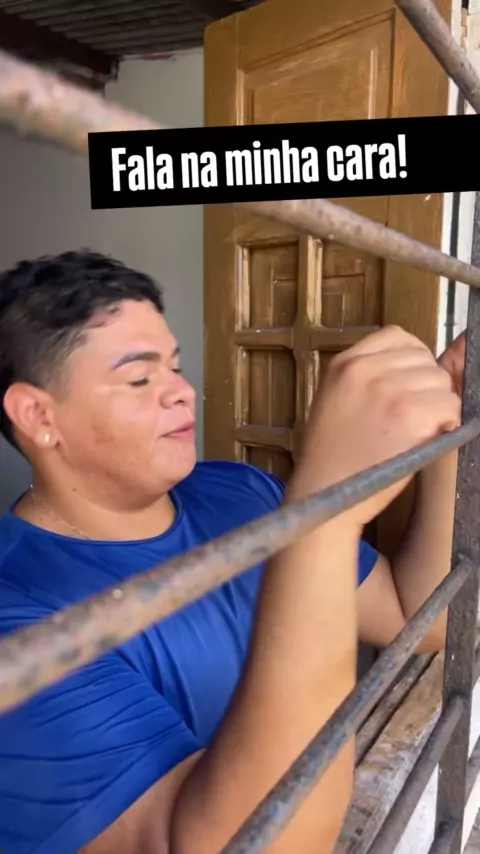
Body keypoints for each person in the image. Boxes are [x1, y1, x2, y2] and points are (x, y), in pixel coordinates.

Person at [0, 250, 463, 854]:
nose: (183, 393)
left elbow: (417, 618)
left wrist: (447, 434)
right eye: (140, 379)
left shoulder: (241, 491)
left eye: (175, 367)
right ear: (38, 415)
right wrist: (324, 513)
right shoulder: (19, 624)